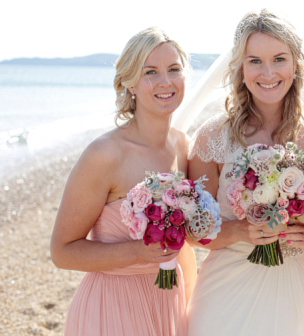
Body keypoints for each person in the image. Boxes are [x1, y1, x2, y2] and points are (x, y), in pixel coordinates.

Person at [185, 9, 304, 336]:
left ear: (296, 64)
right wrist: (240, 231)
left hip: (292, 295)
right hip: (225, 295)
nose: (268, 72)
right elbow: (192, 230)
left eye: (279, 59)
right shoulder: (213, 137)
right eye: (254, 60)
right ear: (240, 68)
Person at [50, 27, 195, 336]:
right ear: (129, 82)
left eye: (174, 69)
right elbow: (62, 251)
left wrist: (190, 312)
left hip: (168, 301)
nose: (165, 81)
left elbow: (184, 247)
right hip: (113, 307)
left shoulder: (183, 147)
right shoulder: (104, 155)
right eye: (150, 72)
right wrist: (138, 252)